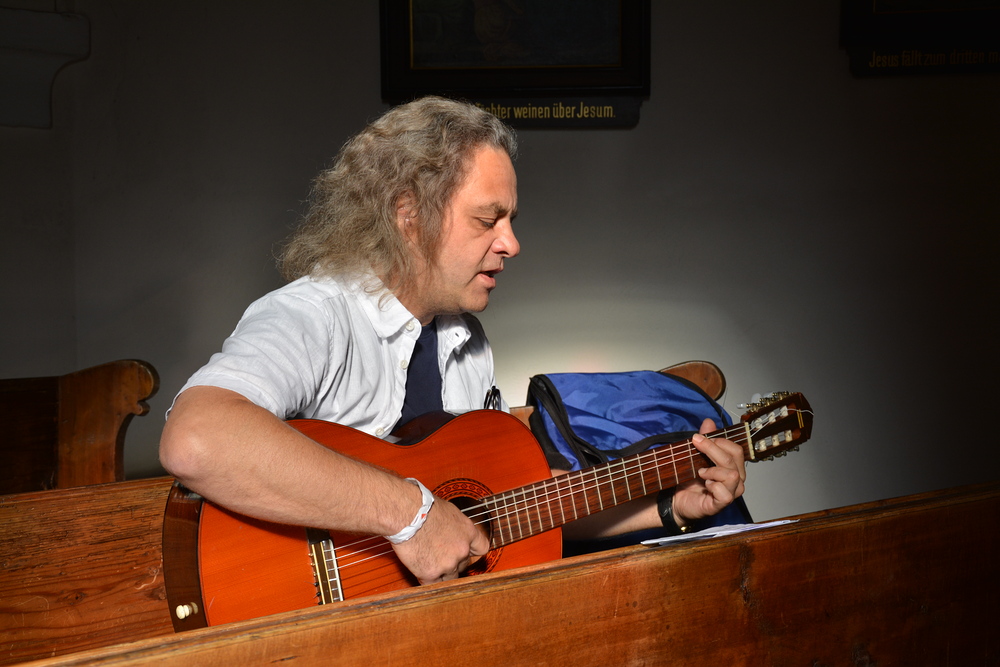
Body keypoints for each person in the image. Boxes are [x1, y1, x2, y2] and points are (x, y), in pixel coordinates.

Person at [159, 96, 746, 586]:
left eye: (511, 220)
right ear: (409, 215)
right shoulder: (314, 314)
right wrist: (409, 514)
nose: (511, 243)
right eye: (488, 220)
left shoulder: (466, 342)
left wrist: (670, 505)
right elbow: (197, 437)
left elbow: (498, 518)